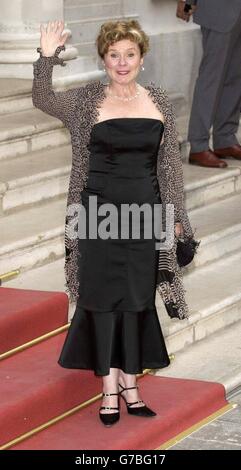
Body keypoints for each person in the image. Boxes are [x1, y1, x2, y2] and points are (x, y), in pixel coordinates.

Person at [32, 19, 195, 427]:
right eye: (113, 55)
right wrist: (46, 57)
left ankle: (131, 385)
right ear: (103, 59)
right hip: (99, 217)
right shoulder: (87, 100)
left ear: (142, 58)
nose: (122, 62)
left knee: (138, 301)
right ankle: (108, 389)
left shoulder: (157, 99)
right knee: (103, 300)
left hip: (145, 216)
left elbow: (169, 166)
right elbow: (42, 98)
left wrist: (176, 218)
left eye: (129, 54)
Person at [177, 0, 241, 168]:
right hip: (218, 10)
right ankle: (198, 145)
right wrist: (186, 2)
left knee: (235, 77)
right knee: (211, 78)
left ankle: (225, 139)